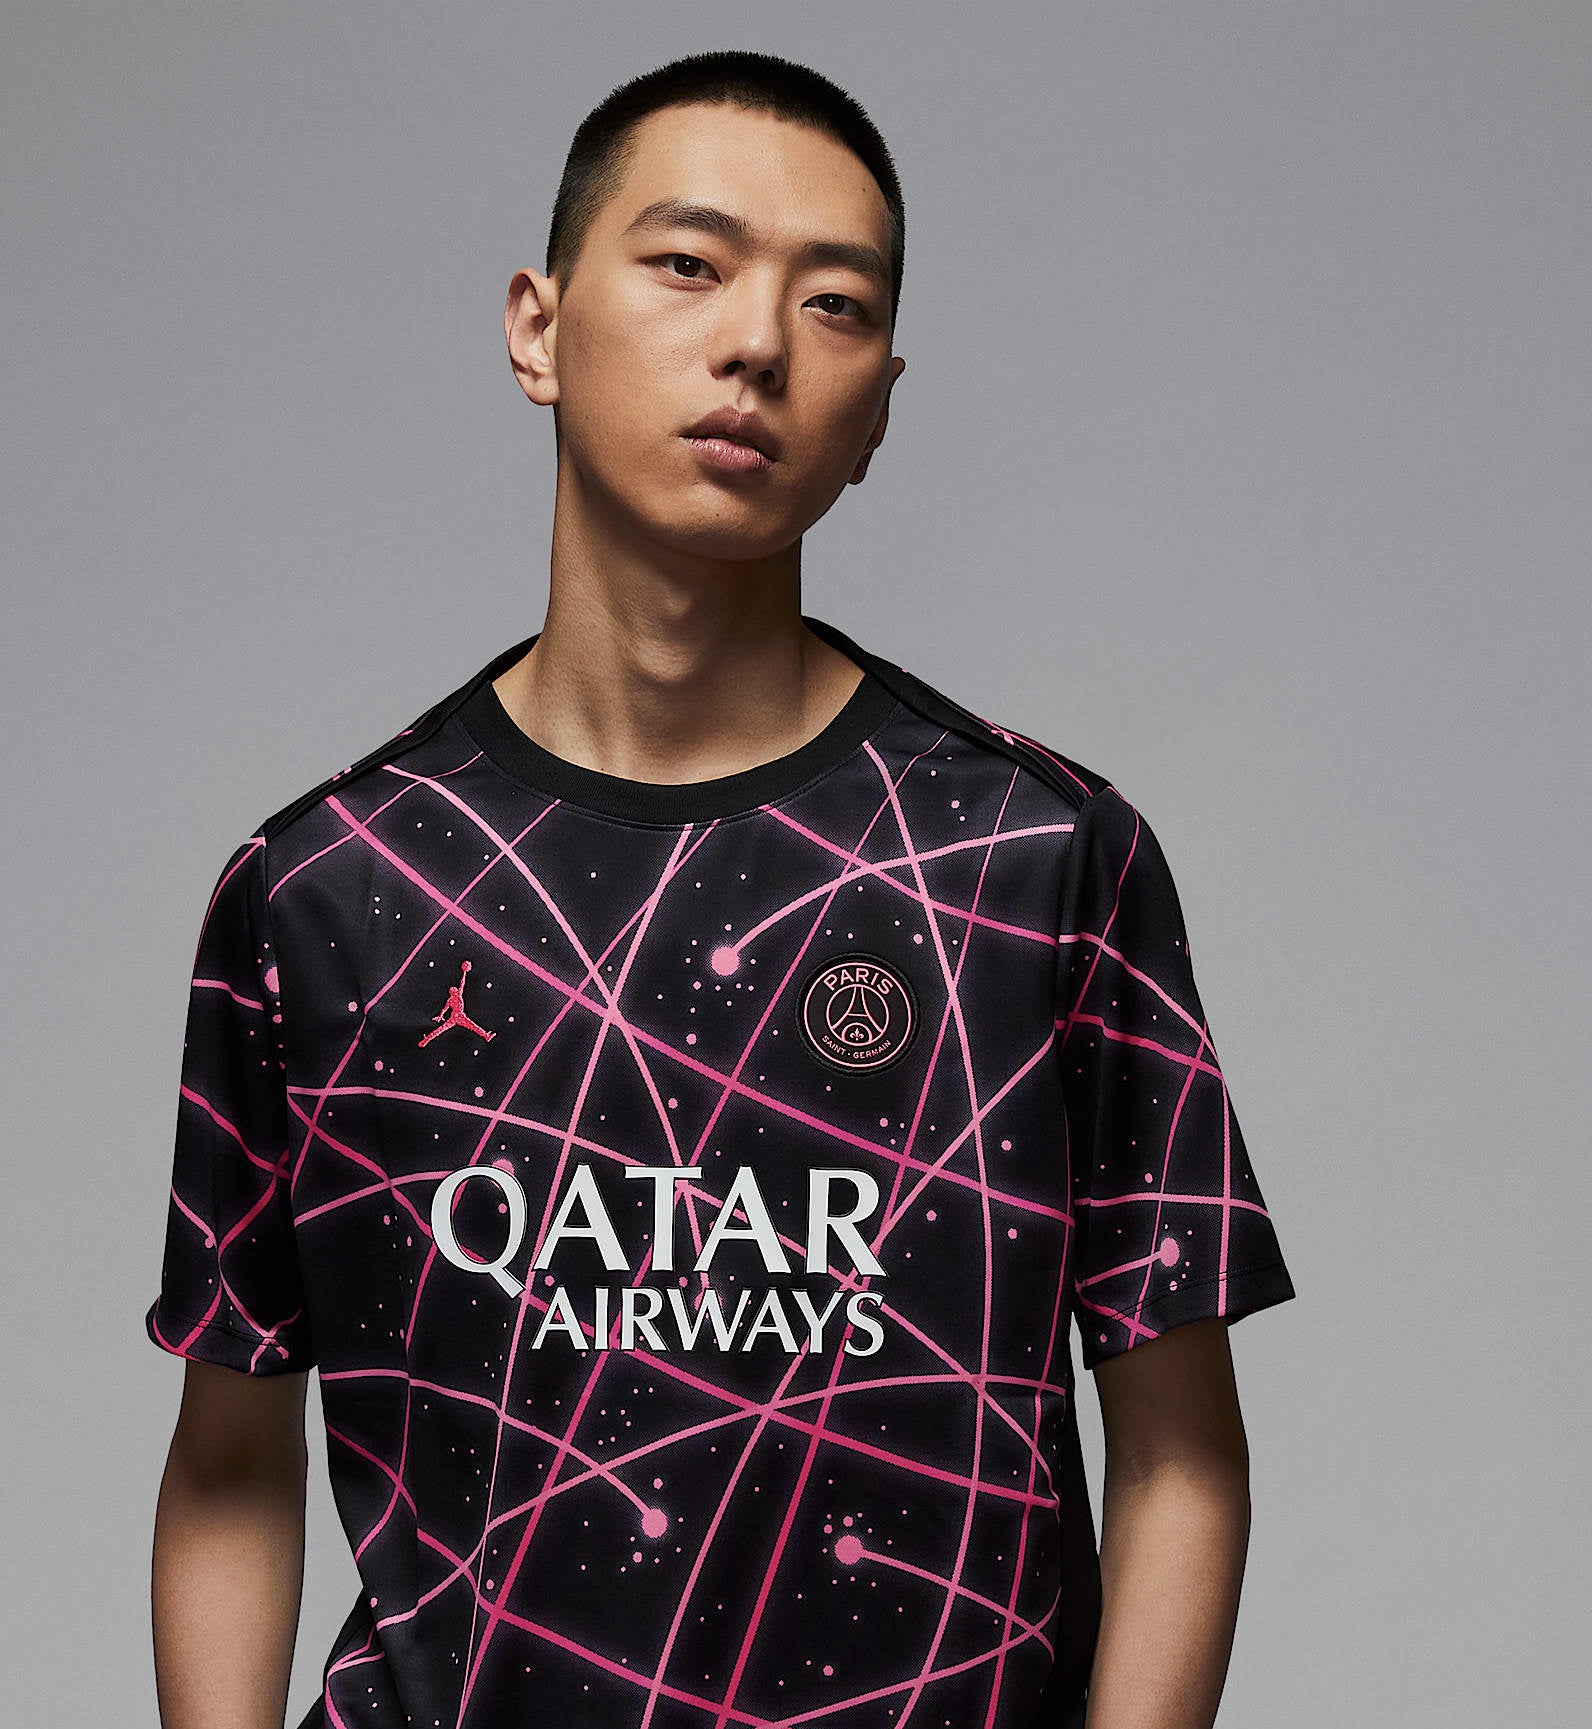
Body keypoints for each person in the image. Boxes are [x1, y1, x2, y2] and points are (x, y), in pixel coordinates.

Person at [145, 49, 1296, 1729]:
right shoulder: (325, 888)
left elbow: (1182, 1453)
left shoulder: (1036, 860)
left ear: (880, 410)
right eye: (689, 263)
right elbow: (229, 1468)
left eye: (835, 305)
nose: (757, 340)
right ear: (537, 328)